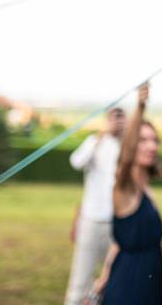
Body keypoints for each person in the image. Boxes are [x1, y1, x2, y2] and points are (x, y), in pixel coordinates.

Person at [90, 84, 162, 305]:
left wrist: (103, 277)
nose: (151, 146)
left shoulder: (146, 190)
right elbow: (125, 156)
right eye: (143, 140)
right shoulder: (123, 189)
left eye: (154, 140)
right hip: (130, 284)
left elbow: (119, 241)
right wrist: (140, 107)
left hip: (151, 278)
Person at [65, 106, 126, 305]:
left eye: (121, 117)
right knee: (80, 280)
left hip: (118, 222)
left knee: (116, 278)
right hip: (91, 220)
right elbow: (76, 162)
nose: (118, 121)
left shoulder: (128, 146)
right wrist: (102, 135)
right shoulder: (94, 141)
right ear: (107, 120)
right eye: (114, 117)